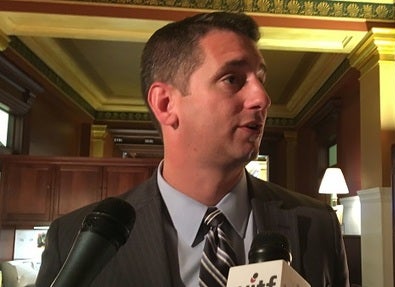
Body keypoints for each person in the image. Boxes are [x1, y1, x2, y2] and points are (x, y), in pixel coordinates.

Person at [35, 11, 349, 287]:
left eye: (261, 80)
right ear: (166, 104)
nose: (262, 98)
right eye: (232, 79)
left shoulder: (318, 225)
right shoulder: (73, 239)